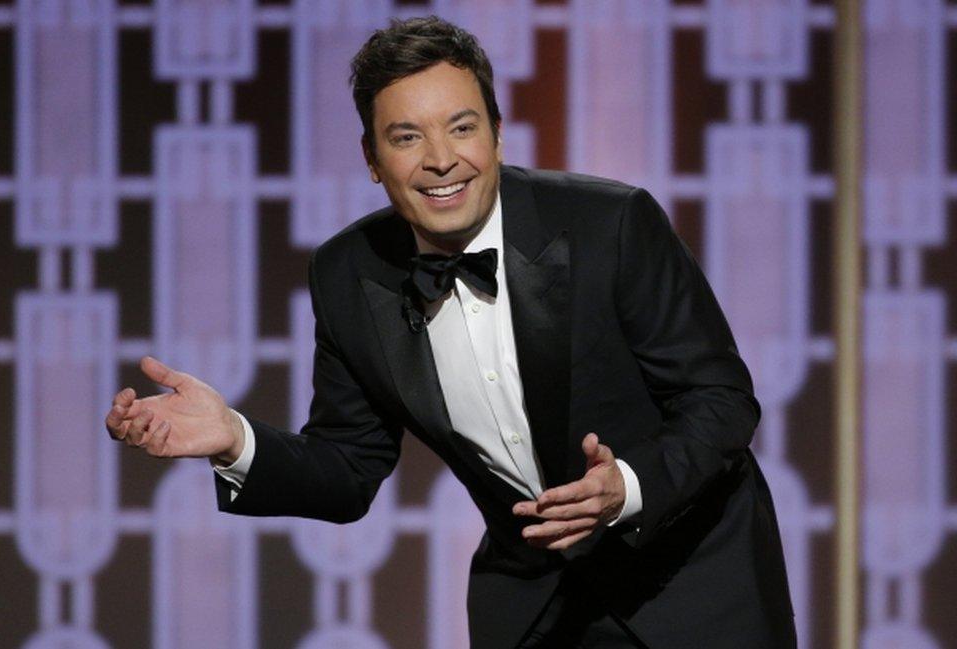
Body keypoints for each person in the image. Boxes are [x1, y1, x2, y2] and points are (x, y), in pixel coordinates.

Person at [105, 16, 796, 649]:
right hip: (536, 607)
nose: (441, 159)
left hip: (694, 584)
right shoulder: (350, 275)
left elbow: (721, 398)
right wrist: (235, 437)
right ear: (373, 158)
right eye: (407, 137)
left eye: (461, 128)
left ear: (496, 132)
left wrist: (630, 485)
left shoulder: (609, 226)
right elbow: (348, 468)